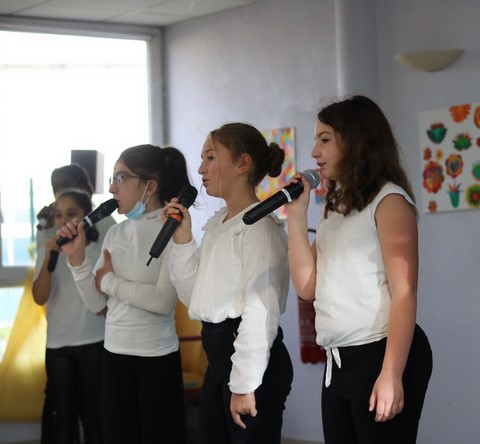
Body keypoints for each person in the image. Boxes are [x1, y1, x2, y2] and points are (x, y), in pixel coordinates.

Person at [285, 95, 433, 444]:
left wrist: (391, 373)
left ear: (356, 141)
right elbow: (307, 287)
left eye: (325, 139)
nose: (314, 152)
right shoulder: (337, 209)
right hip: (338, 361)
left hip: (380, 352)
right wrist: (296, 217)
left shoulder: (389, 200)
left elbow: (405, 291)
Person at [164, 123, 293, 444]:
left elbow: (261, 312)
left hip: (250, 358)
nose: (200, 169)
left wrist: (245, 385)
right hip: (219, 359)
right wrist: (182, 239)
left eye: (210, 157)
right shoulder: (218, 226)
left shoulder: (260, 226)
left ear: (242, 163)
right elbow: (195, 297)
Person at [57, 144, 190, 444]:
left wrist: (109, 281)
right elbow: (97, 304)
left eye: (121, 178)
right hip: (114, 355)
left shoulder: (173, 228)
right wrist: (77, 261)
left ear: (150, 186)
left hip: (156, 359)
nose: (111, 188)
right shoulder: (115, 233)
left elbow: (162, 301)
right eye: (113, 178)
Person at [35, 162, 116, 444]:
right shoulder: (47, 241)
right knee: (63, 418)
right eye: (59, 214)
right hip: (58, 343)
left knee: (94, 416)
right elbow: (39, 297)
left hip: (94, 340)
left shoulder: (101, 239)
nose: (64, 221)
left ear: (85, 214)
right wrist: (49, 257)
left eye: (72, 214)